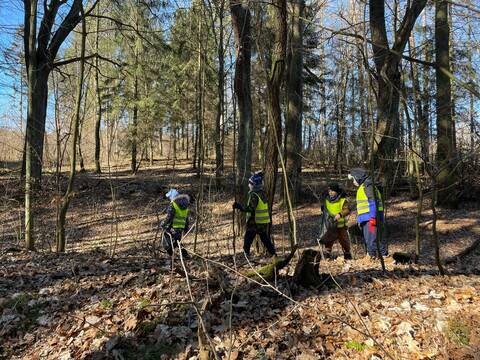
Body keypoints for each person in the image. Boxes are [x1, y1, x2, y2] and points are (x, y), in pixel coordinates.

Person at [232, 172, 277, 258]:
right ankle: (273, 253)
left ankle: (246, 254)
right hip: (263, 221)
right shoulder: (262, 193)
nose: (249, 185)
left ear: (255, 185)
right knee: (265, 239)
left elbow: (251, 208)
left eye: (250, 183)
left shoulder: (254, 195)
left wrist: (239, 207)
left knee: (248, 238)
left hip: (255, 221)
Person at [348, 168, 388, 258]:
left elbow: (373, 202)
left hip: (370, 219)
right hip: (371, 218)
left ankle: (371, 257)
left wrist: (373, 218)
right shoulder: (369, 186)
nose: (353, 182)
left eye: (353, 179)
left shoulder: (367, 186)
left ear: (358, 177)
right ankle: (383, 256)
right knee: (377, 239)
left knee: (371, 239)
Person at [320, 182, 352, 260]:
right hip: (330, 225)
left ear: (337, 191)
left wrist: (340, 214)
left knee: (344, 240)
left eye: (332, 191)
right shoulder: (326, 200)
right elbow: (324, 210)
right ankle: (327, 255)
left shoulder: (343, 200)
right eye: (329, 191)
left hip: (340, 225)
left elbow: (347, 210)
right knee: (328, 240)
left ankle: (347, 254)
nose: (330, 192)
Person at [160, 188, 191, 258]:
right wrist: (186, 229)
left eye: (169, 197)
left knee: (168, 242)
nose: (169, 199)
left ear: (172, 197)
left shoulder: (173, 205)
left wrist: (163, 224)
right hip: (181, 227)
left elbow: (169, 217)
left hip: (173, 227)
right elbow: (186, 219)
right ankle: (184, 255)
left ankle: (173, 255)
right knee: (177, 242)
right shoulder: (185, 206)